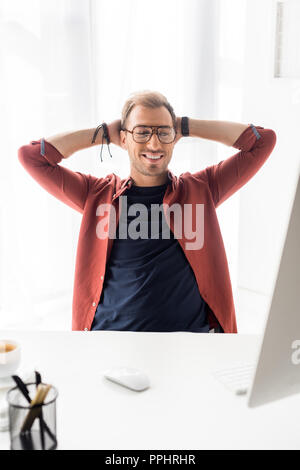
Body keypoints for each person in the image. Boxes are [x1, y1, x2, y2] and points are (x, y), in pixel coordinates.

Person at [18, 90, 276, 333]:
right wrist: (104, 133)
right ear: (123, 138)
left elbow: (262, 141)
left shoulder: (201, 190)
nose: (154, 144)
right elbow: (32, 156)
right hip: (110, 341)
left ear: (174, 138)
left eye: (163, 132)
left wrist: (185, 126)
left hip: (188, 343)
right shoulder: (97, 195)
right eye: (142, 132)